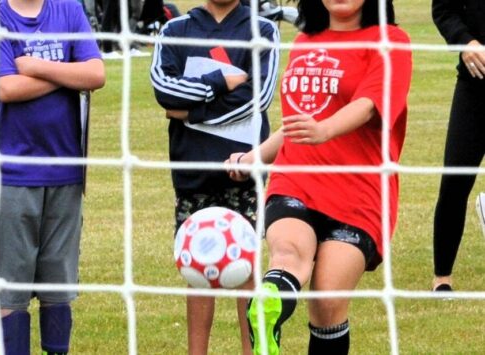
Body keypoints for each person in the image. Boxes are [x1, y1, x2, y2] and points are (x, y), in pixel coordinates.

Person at [227, 0, 412, 353]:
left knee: (328, 302)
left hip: (360, 194)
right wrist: (254, 157)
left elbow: (370, 104)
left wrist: (325, 130)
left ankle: (270, 307)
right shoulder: (304, 43)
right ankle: (266, 310)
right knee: (287, 255)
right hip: (295, 180)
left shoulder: (392, 41)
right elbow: (298, 124)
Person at [0, 0, 105, 353]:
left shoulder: (70, 10)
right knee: (11, 292)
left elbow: (96, 75)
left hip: (66, 171)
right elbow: (5, 88)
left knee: (58, 289)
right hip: (10, 175)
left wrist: (35, 66)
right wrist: (66, 74)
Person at [149, 0, 279, 352]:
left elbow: (258, 97)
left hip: (244, 169)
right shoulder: (175, 30)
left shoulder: (261, 31)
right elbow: (164, 91)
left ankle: (255, 348)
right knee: (197, 266)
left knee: (247, 265)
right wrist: (220, 79)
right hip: (192, 169)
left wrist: (189, 113)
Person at [431, 0, 485, 292]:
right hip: (475, 85)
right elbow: (443, 10)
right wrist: (465, 41)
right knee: (454, 181)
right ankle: (442, 278)